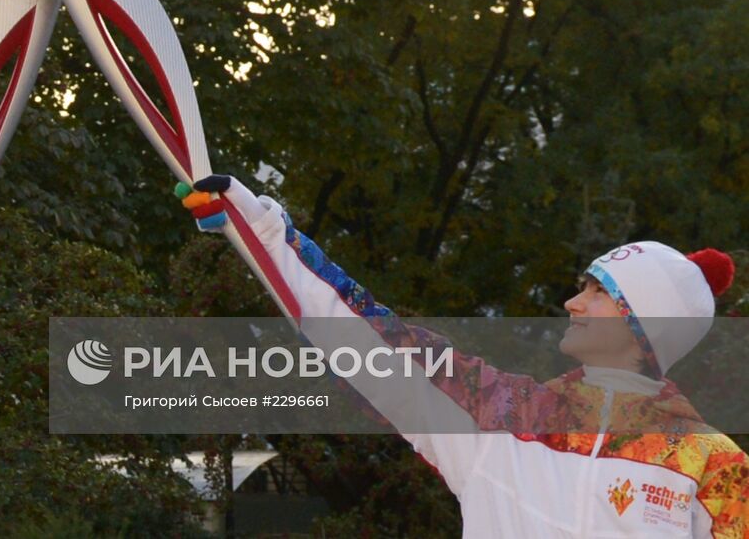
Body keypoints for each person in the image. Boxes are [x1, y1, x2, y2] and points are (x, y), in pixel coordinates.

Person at [180, 174, 748, 538]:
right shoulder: (499, 416)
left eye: (598, 292)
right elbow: (370, 341)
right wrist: (262, 234)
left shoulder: (712, 468)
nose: (573, 301)